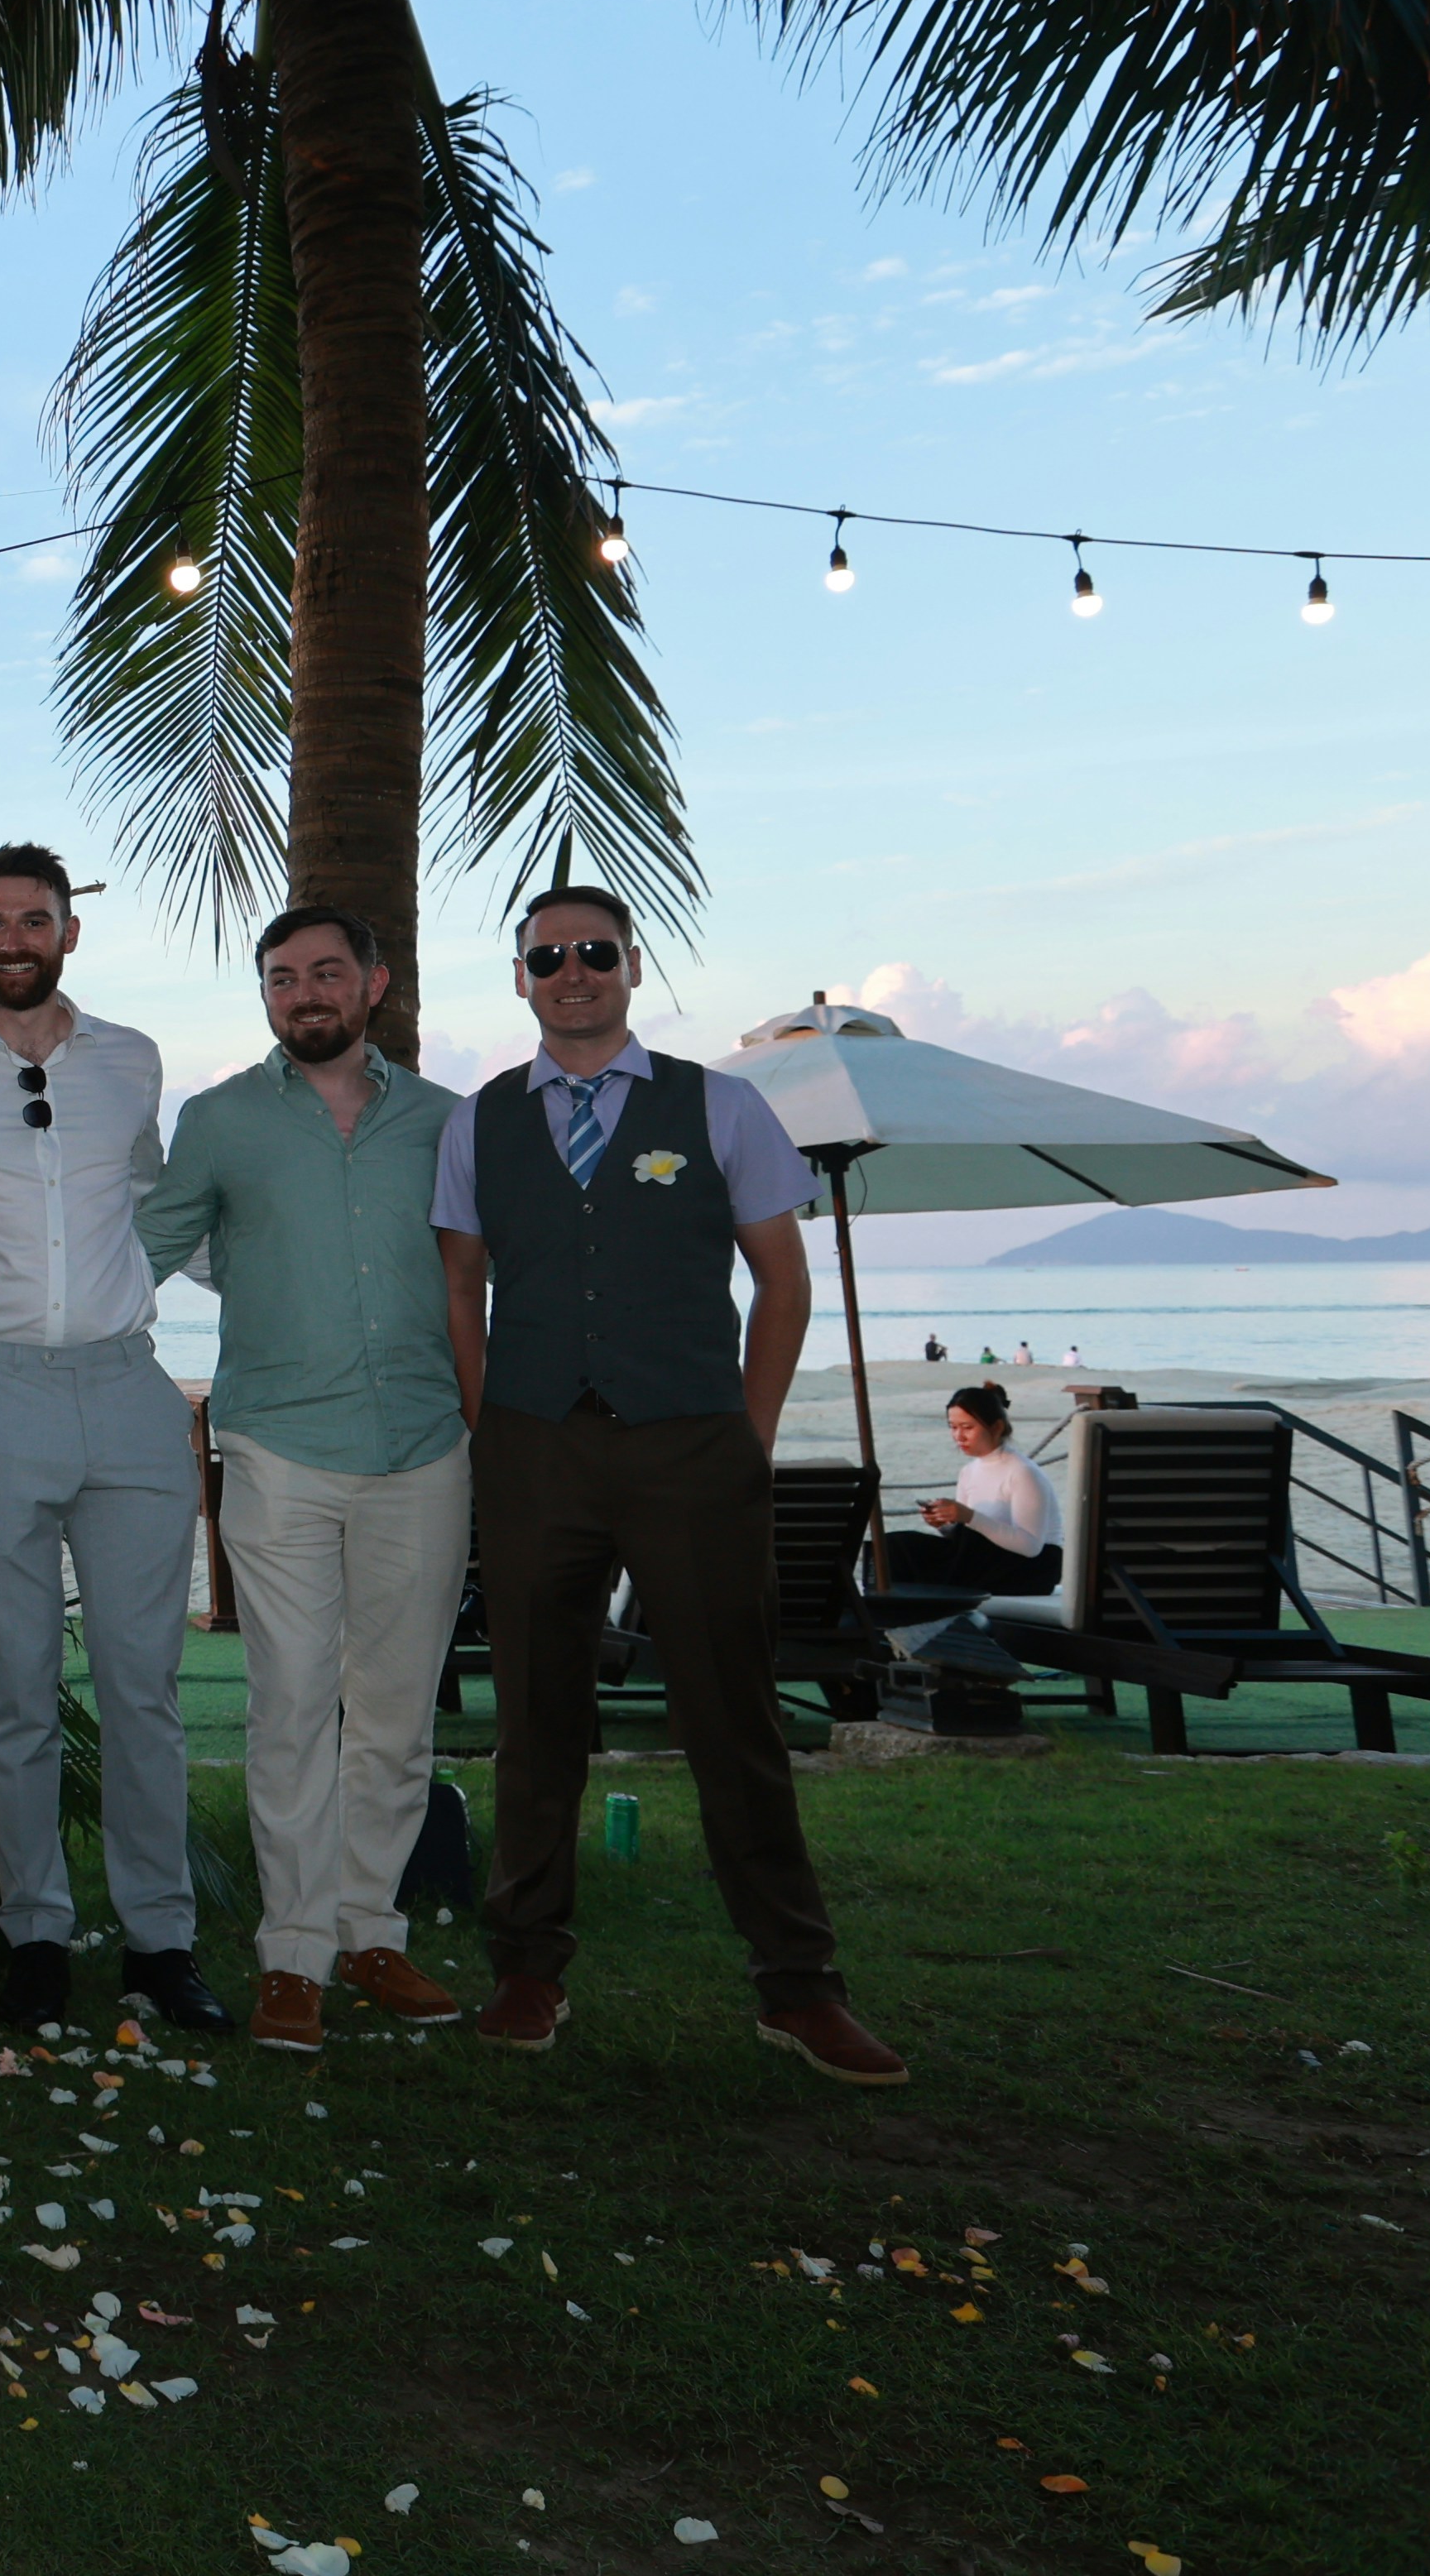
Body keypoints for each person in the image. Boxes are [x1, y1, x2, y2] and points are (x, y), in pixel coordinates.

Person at [430, 884, 904, 2087]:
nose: (571, 973)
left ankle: (799, 1988)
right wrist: (495, 1430)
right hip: (539, 1449)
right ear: (521, 979)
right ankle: (527, 1969)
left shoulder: (725, 1106)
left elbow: (781, 1284)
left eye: (594, 953)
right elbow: (462, 1288)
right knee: (537, 1720)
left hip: (693, 1447)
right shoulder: (479, 1122)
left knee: (732, 1718)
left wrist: (746, 1434)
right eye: (548, 958)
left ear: (632, 967)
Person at [0, 842, 224, 2044]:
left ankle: (160, 1942)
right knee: (17, 1692)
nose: (13, 936)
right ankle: (33, 1938)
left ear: (69, 932)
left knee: (146, 1690)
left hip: (132, 1389)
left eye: (34, 918)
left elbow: (155, 1198)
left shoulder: (133, 1060)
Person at [133, 905, 467, 2056]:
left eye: (328, 973)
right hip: (276, 1446)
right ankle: (291, 1957)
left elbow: (489, 1266)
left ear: (375, 983)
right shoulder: (221, 1120)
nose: (305, 995)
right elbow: (150, 1242)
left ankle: (372, 1933)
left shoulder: (447, 1123)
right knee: (288, 1707)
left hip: (426, 1445)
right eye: (282, 980)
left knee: (393, 1713)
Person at [880, 1382, 1061, 1598]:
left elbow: (1030, 1546)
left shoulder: (1022, 1472)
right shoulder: (968, 1471)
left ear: (996, 1428)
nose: (959, 1436)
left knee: (924, 1560)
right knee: (893, 1547)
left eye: (968, 1428)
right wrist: (945, 1525)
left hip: (1030, 1566)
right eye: (953, 1427)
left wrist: (968, 1516)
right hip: (985, 1557)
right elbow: (965, 1536)